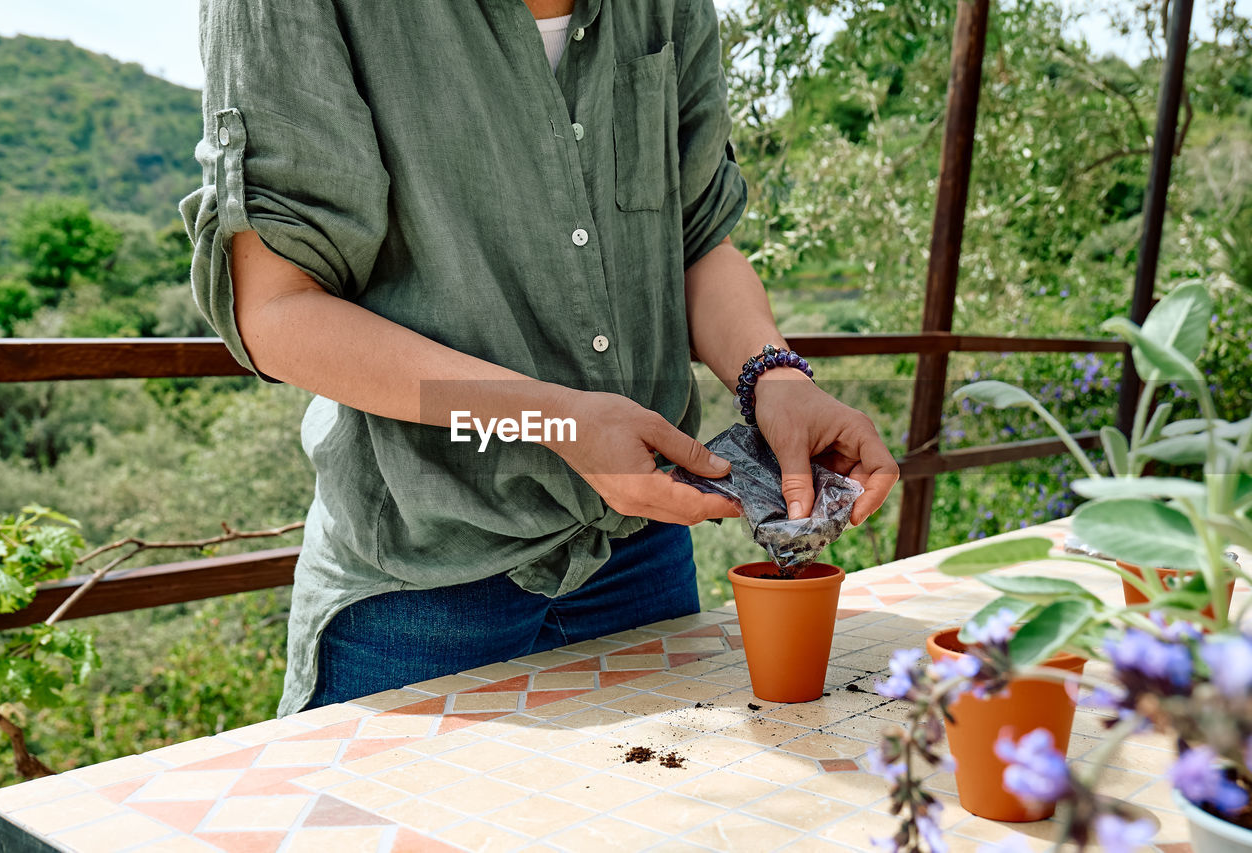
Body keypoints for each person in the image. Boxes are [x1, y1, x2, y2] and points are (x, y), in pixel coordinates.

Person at [182, 0, 900, 717]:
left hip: (640, 560)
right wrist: (555, 420)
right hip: (422, 582)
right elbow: (277, 307)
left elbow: (696, 239)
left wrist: (770, 375)